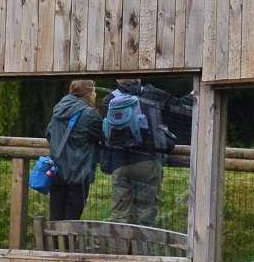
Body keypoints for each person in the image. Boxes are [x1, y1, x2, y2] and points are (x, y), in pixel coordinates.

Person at [100, 77, 173, 226]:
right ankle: (141, 241)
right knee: (145, 213)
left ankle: (120, 240)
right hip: (147, 161)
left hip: (119, 162)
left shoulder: (108, 100)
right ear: (137, 78)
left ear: (118, 79)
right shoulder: (151, 96)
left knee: (120, 214)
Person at [46, 79, 104, 222]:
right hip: (79, 173)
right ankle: (66, 238)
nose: (95, 94)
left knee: (56, 218)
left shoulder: (58, 109)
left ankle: (54, 238)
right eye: (94, 91)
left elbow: (49, 133)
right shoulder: (90, 114)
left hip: (57, 171)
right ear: (87, 93)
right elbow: (104, 136)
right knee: (71, 220)